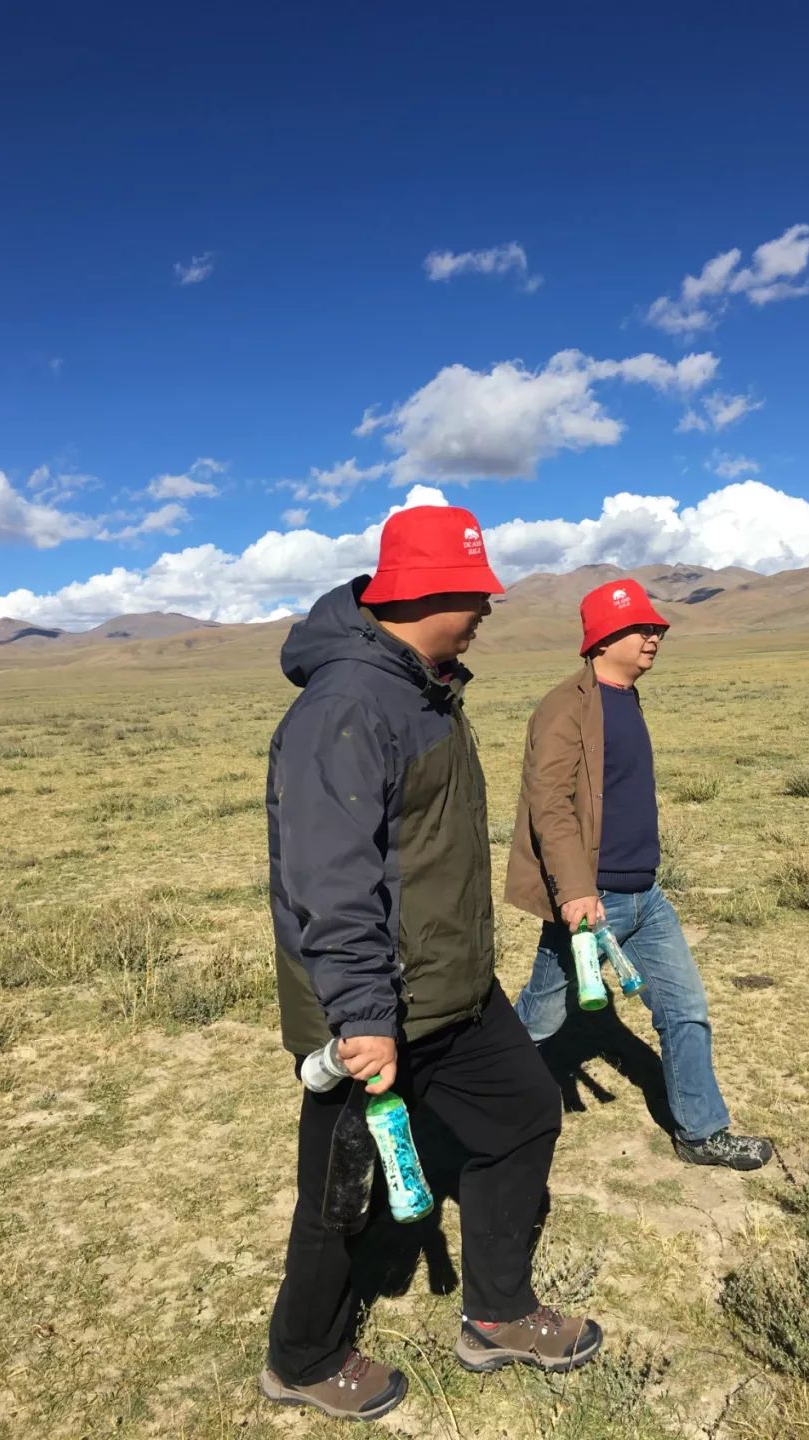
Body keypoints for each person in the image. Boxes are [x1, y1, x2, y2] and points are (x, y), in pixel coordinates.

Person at [261, 505, 603, 1423]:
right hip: (371, 1006)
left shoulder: (421, 689)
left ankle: (497, 1314)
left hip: (451, 988)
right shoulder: (347, 706)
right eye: (474, 594)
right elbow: (332, 879)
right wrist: (364, 1015)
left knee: (522, 1114)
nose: (487, 609)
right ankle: (303, 1358)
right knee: (343, 1194)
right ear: (422, 594)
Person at [505, 577, 773, 1172]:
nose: (654, 636)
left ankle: (702, 1133)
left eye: (656, 629)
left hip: (645, 895)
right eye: (640, 628)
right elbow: (549, 804)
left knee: (685, 1009)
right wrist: (576, 890)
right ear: (603, 638)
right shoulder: (565, 707)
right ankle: (472, 1107)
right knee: (539, 1019)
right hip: (590, 901)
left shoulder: (626, 697)